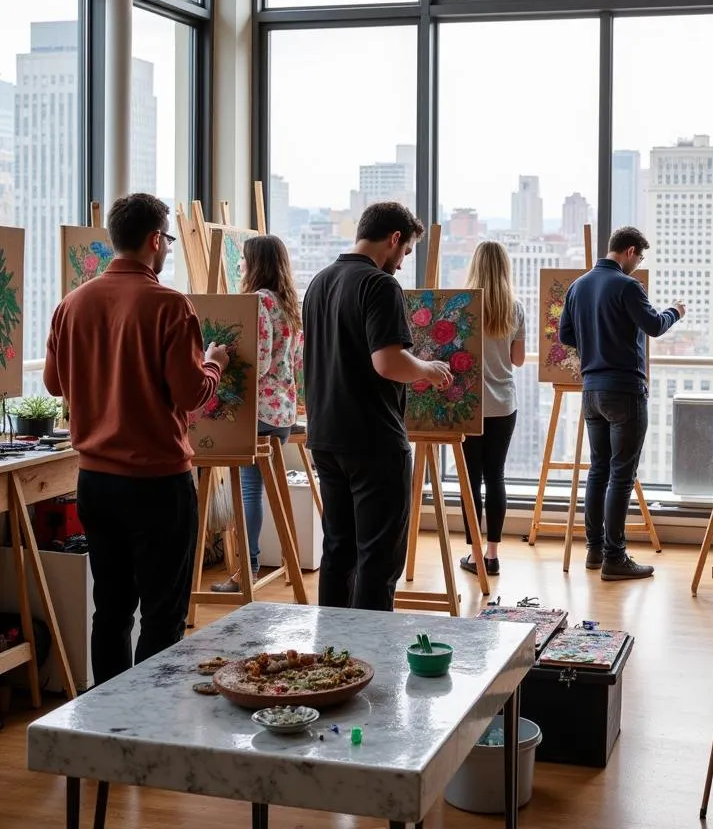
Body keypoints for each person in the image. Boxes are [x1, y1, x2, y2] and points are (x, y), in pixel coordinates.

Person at [43, 193, 227, 685]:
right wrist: (215, 364)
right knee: (162, 614)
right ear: (154, 240)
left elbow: (54, 385)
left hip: (95, 483)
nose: (168, 248)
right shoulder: (169, 304)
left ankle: (107, 725)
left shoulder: (72, 303)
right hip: (157, 484)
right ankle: (149, 729)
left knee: (112, 611)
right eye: (167, 239)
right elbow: (190, 394)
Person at [302, 201, 453, 611]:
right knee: (378, 558)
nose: (402, 264)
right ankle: (370, 657)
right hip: (372, 438)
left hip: (325, 436)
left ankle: (331, 659)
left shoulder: (319, 281)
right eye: (404, 253)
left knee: (338, 552)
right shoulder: (380, 285)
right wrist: (428, 368)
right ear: (394, 239)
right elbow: (388, 363)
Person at [558, 226, 684, 581]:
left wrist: (594, 340)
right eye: (639, 258)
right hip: (625, 391)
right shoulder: (628, 286)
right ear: (629, 251)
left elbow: (566, 334)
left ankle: (594, 550)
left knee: (598, 471)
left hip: (591, 392)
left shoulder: (578, 286)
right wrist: (676, 311)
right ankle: (616, 557)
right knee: (621, 475)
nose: (638, 265)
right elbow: (654, 325)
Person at [212, 235, 303, 593]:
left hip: (259, 413)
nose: (239, 266)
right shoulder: (288, 304)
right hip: (282, 412)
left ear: (256, 264)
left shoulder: (259, 303)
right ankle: (271, 565)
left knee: (249, 490)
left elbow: (258, 362)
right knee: (262, 489)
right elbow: (295, 363)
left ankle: (245, 570)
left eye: (243, 260)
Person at [458, 241, 525, 576]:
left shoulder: (462, 306)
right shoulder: (515, 308)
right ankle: (493, 554)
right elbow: (518, 360)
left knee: (471, 481)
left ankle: (473, 555)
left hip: (469, 406)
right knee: (495, 476)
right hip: (504, 404)